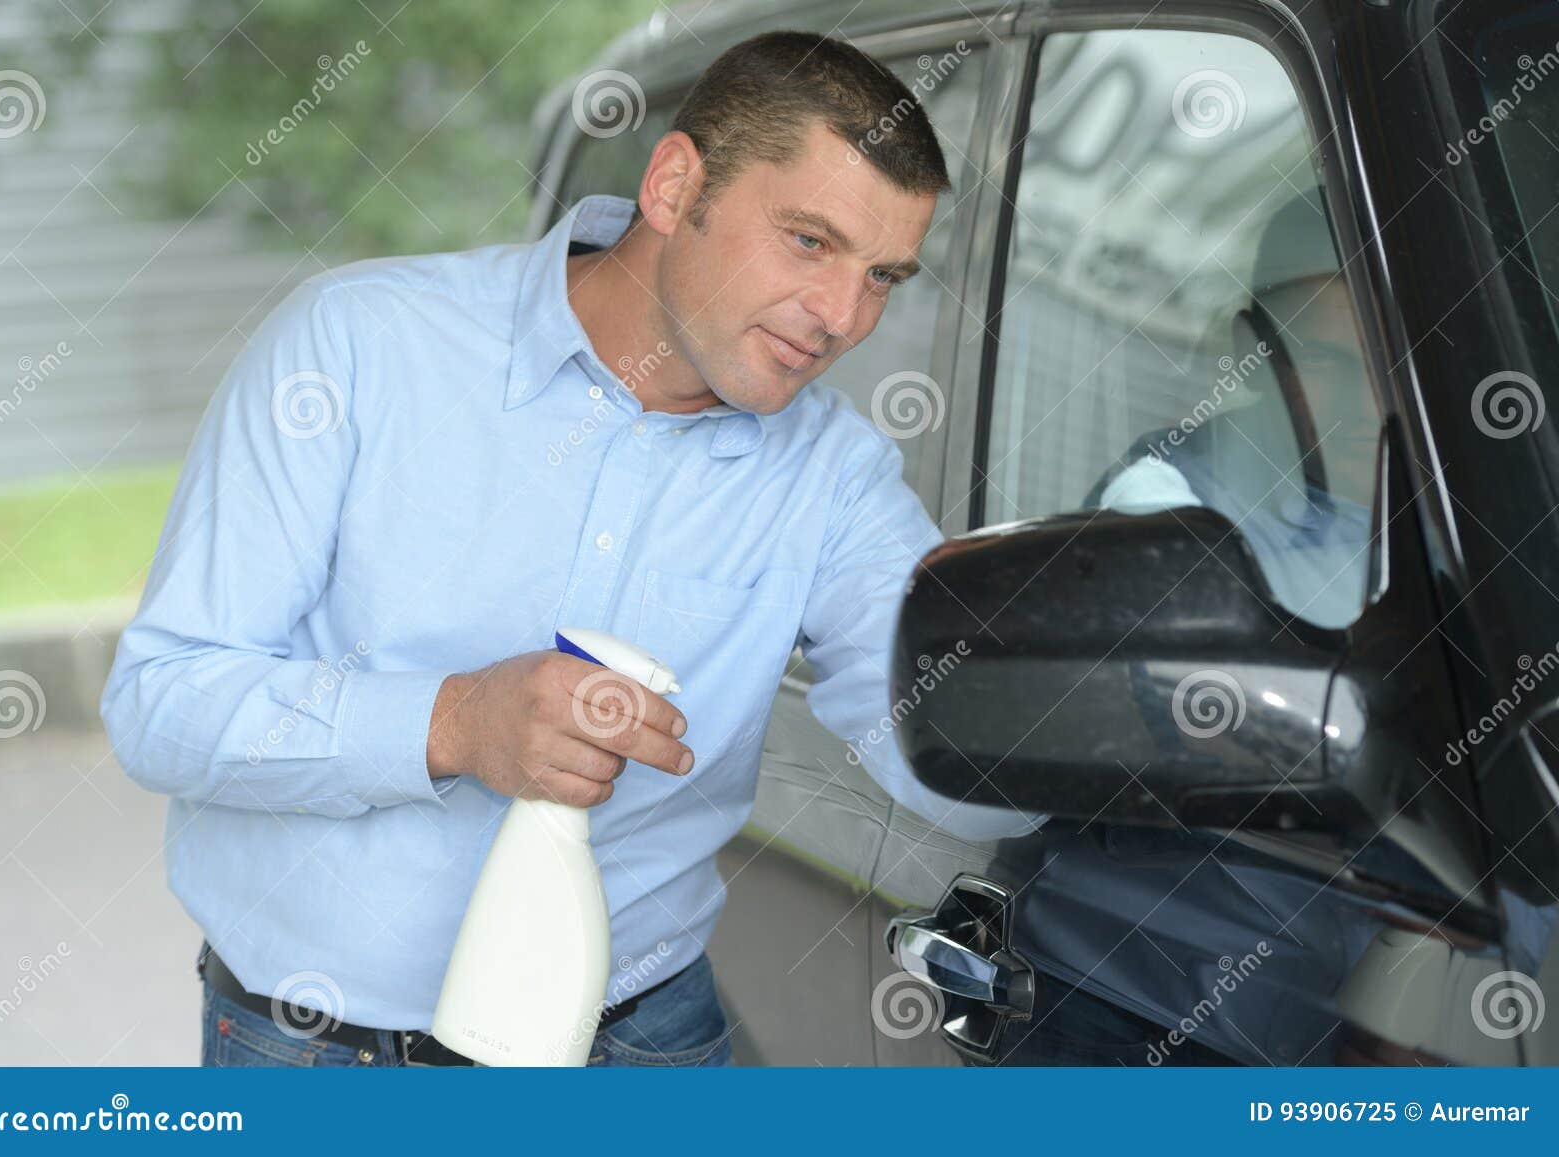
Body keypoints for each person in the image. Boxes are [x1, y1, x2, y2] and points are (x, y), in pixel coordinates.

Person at [100, 31, 1040, 1069]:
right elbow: (162, 701)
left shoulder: (835, 476)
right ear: (676, 185)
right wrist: (455, 719)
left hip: (639, 1042)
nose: (841, 317)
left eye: (884, 276)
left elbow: (944, 730)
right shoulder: (358, 346)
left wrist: (1157, 735)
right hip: (319, 1051)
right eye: (809, 241)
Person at [1093, 189, 1382, 631]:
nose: (1368, 401)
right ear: (1253, 352)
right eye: (1322, 361)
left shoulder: (1493, 489)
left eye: (1391, 364)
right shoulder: (1168, 507)